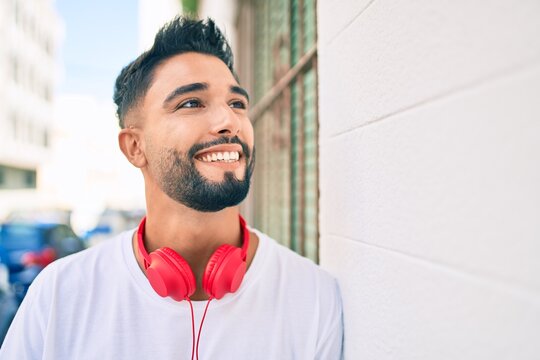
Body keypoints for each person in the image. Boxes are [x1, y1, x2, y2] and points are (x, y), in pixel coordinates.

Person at [0, 16, 343, 359]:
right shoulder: (60, 295)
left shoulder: (314, 297)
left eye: (237, 103)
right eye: (191, 103)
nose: (229, 121)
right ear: (135, 147)